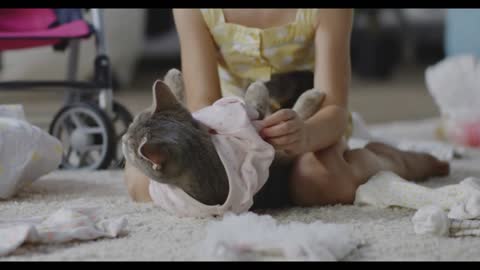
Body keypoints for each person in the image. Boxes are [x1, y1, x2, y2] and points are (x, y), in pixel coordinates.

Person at [125, 9, 449, 206]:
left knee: (318, 182)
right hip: (228, 130)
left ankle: (393, 160)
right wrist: (237, 140)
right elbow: (202, 105)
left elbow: (333, 108)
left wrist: (305, 136)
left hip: (307, 126)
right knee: (140, 182)